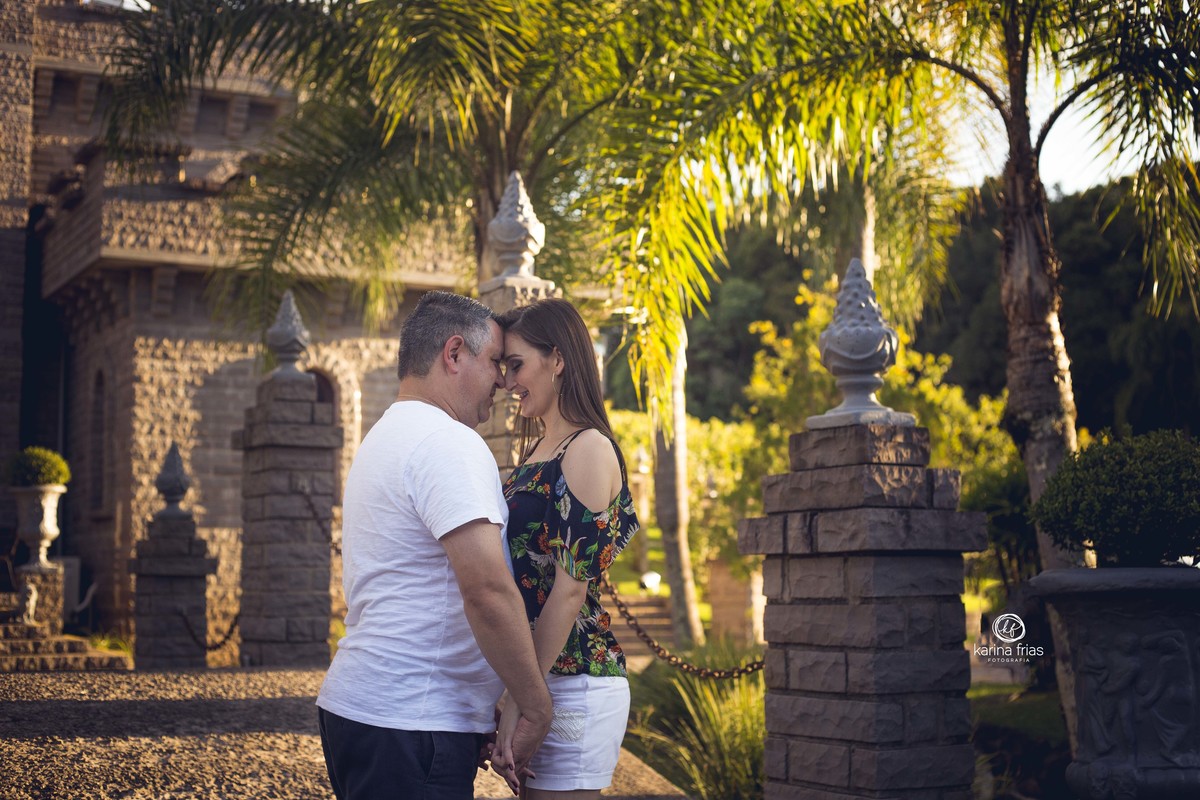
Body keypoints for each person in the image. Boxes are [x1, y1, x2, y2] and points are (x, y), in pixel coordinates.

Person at [316, 291, 552, 800]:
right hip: (409, 723)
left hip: (367, 711)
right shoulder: (448, 443)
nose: (504, 382)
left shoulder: (385, 436)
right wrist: (536, 706)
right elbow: (487, 589)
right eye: (494, 362)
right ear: (453, 354)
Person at [491, 298, 641, 799]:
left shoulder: (589, 449)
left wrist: (519, 700)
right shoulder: (537, 451)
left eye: (517, 365)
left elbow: (568, 592)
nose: (508, 381)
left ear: (557, 359)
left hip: (575, 679)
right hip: (540, 679)